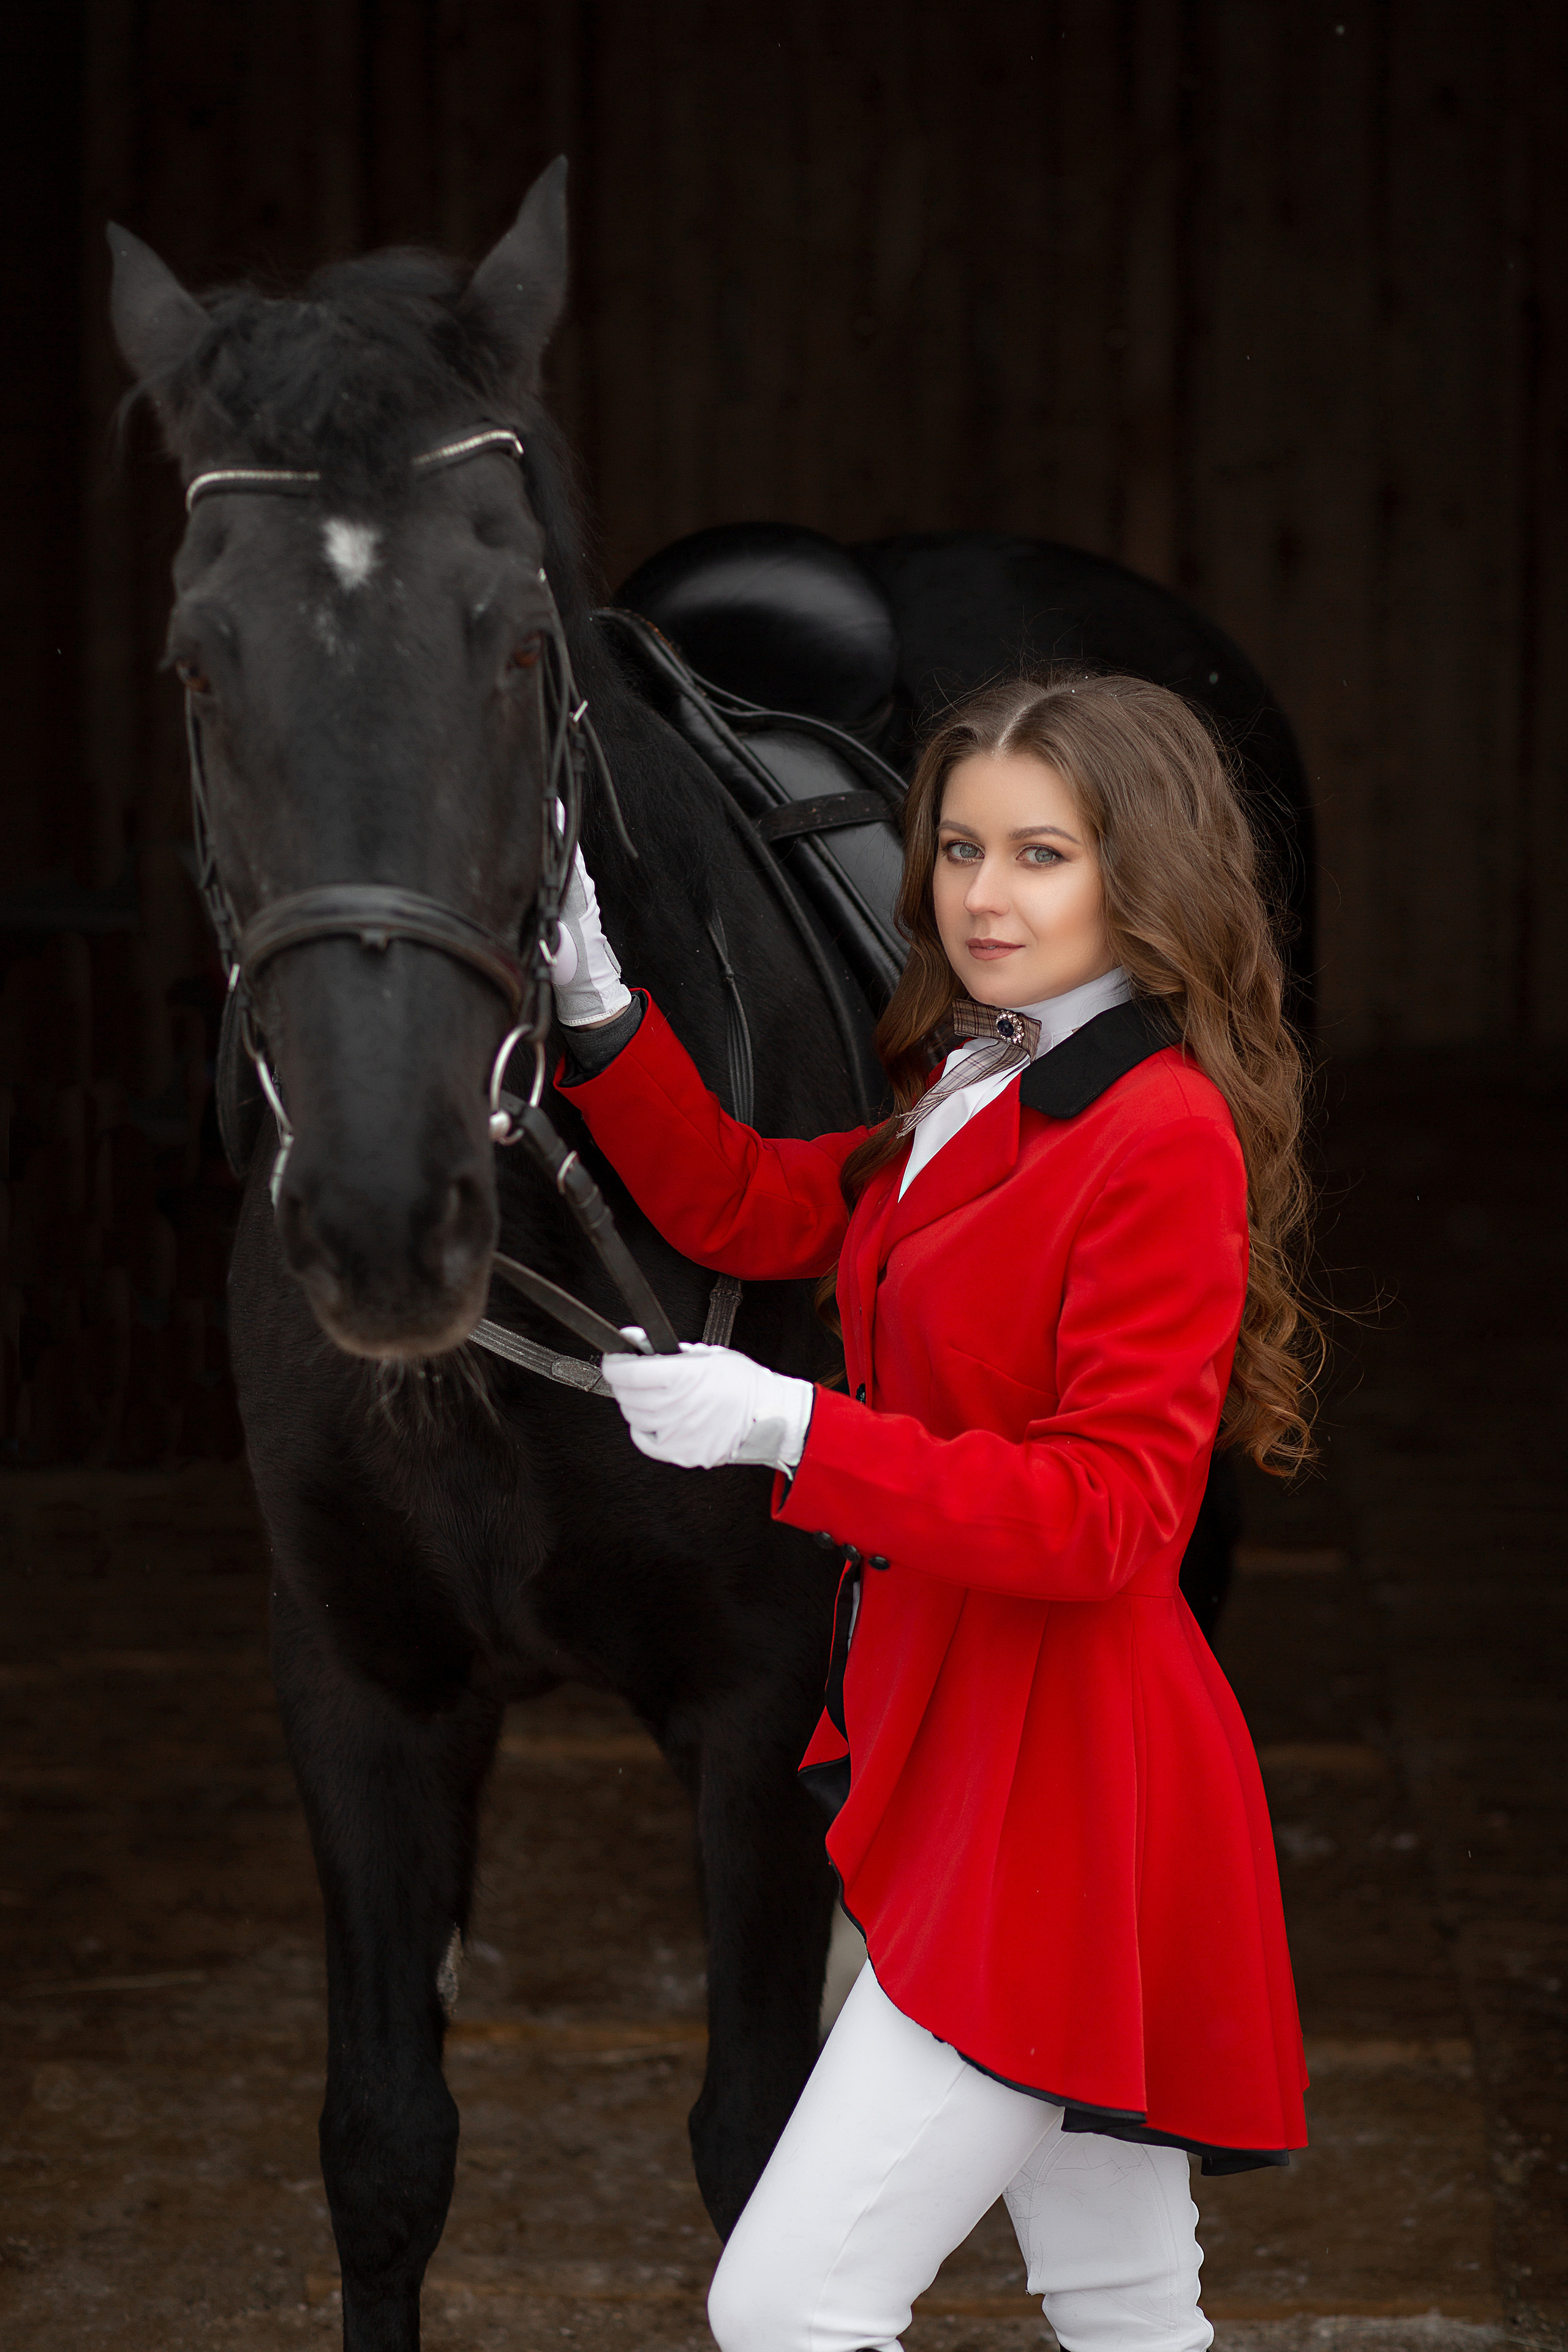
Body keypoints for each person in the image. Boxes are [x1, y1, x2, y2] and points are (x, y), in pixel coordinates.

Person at [546, 672, 1318, 2352]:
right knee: (1125, 2300)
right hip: (975, 1733)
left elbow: (1116, 1515)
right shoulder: (984, 1086)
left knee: (788, 2302)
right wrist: (598, 1013)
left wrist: (793, 1431)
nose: (983, 895)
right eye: (960, 847)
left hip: (1065, 1780)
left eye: (1042, 854)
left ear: (1143, 870)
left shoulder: (1154, 1131)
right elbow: (751, 1204)